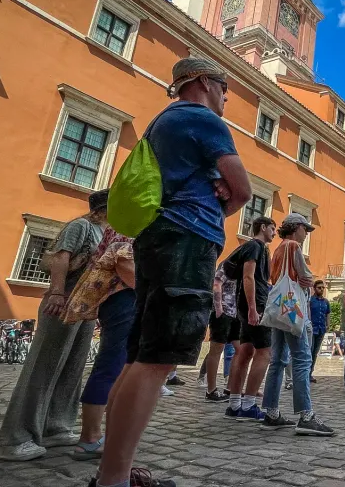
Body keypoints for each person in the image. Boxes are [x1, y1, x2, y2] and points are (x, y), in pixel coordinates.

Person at [94, 58, 252, 487]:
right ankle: (113, 480)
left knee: (138, 358)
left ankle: (115, 470)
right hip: (188, 237)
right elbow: (243, 189)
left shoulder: (162, 121)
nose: (225, 96)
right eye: (224, 87)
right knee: (157, 361)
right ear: (203, 82)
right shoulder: (203, 119)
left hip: (154, 236)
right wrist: (225, 200)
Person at [0, 190, 109, 462]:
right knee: (43, 368)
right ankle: (16, 438)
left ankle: (56, 426)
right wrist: (57, 292)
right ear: (104, 207)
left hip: (85, 309)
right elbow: (60, 257)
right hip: (63, 302)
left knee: (71, 369)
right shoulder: (81, 226)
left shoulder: (107, 233)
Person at [58, 226, 135, 460]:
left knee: (117, 368)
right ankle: (89, 439)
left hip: (120, 298)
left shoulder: (123, 219)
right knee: (111, 368)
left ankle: (99, 435)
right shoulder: (134, 219)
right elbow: (124, 263)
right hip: (125, 297)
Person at [257, 213, 328, 435]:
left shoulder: (278, 248)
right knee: (302, 358)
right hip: (292, 308)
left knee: (277, 360)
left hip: (279, 307)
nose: (306, 234)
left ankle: (271, 412)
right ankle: (306, 416)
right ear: (296, 227)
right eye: (305, 229)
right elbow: (306, 277)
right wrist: (307, 277)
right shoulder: (293, 247)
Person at [223, 216, 275, 421]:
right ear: (262, 227)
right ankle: (249, 404)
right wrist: (254, 308)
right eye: (272, 228)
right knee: (264, 353)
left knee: (244, 351)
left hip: (245, 304)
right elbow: (248, 276)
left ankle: (234, 404)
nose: (273, 232)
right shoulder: (255, 247)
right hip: (255, 303)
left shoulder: (249, 247)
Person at [202, 258, 241, 403]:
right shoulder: (229, 265)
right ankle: (211, 390)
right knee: (216, 349)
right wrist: (218, 308)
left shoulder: (245, 268)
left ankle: (230, 388)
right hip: (223, 312)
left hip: (236, 314)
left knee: (240, 349)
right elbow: (216, 284)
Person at [308, 281, 331, 383]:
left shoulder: (326, 302)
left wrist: (328, 324)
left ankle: (310, 373)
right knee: (309, 351)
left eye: (323, 288)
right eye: (319, 288)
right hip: (312, 329)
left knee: (315, 353)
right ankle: (305, 373)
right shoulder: (310, 301)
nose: (321, 289)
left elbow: (328, 314)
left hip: (321, 329)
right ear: (314, 288)